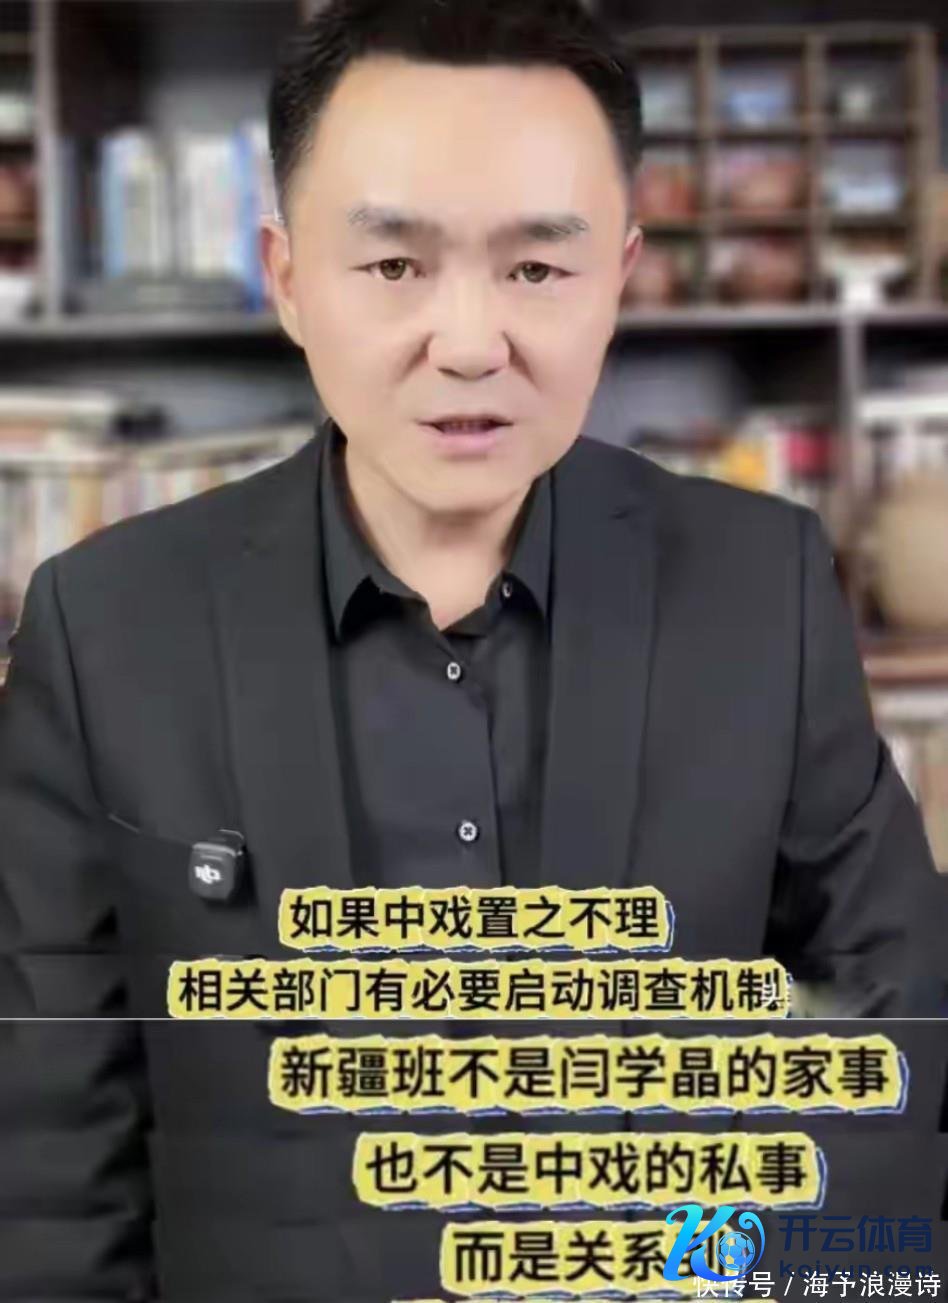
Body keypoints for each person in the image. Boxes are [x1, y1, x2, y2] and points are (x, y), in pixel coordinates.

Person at [1, 0, 946, 1297]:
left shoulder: (761, 586)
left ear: (619, 277)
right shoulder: (105, 623)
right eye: (395, 265)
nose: (467, 345)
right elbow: (52, 1154)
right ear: (288, 278)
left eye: (536, 270)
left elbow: (892, 1029)